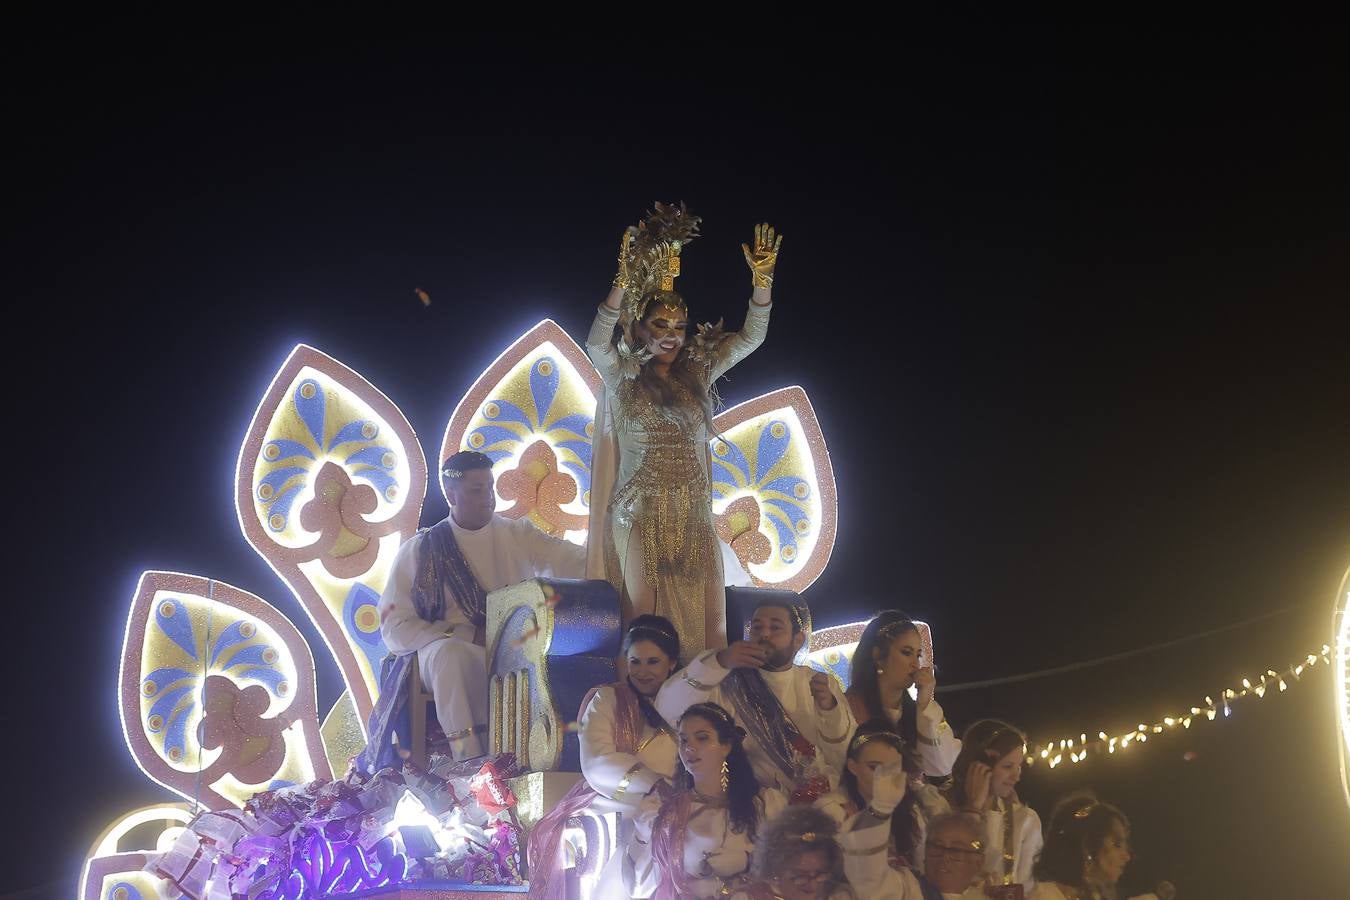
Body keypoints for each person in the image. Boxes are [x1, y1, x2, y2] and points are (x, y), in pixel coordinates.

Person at [586, 202, 780, 655]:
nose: (672, 334)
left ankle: (701, 707)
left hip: (692, 510)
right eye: (660, 324)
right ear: (640, 328)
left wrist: (762, 283)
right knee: (645, 623)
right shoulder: (624, 376)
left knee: (712, 625)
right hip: (639, 509)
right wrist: (621, 281)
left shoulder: (698, 375)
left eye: (679, 325)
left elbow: (752, 338)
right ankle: (633, 713)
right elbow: (597, 340)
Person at [361, 450, 586, 767]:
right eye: (477, 490)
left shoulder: (516, 534)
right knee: (451, 654)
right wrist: (464, 633)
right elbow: (394, 629)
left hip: (508, 647)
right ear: (452, 494)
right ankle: (471, 760)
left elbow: (572, 560)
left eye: (490, 487)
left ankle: (530, 759)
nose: (489, 498)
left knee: (554, 655)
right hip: (440, 652)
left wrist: (616, 550)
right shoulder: (421, 549)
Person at [526, 615, 682, 899]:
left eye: (653, 662)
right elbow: (597, 762)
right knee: (653, 826)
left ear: (672, 662)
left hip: (678, 803)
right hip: (611, 802)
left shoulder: (689, 703)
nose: (643, 672)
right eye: (635, 662)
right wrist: (655, 786)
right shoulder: (608, 699)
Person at [656, 599, 854, 798]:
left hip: (820, 806)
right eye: (757, 627)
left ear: (798, 640)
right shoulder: (728, 682)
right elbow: (667, 709)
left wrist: (829, 709)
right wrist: (720, 662)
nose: (764, 634)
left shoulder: (818, 683)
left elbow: (844, 756)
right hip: (754, 807)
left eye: (775, 627)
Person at [634, 701, 786, 899]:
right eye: (684, 741)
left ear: (726, 745)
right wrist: (643, 837)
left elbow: (793, 873)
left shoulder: (764, 806)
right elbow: (637, 889)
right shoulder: (668, 812)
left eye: (702, 738)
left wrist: (748, 861)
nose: (689, 748)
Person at [845, 611, 960, 777]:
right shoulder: (849, 707)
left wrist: (925, 705)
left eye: (918, 654)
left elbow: (943, 766)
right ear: (878, 656)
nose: (915, 664)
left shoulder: (919, 712)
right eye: (906, 652)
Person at [941, 720, 1042, 892]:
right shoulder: (939, 808)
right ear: (979, 765)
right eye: (1008, 766)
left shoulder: (1025, 820)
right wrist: (974, 808)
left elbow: (1028, 889)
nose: (1016, 777)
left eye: (1019, 767)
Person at [816, 723, 929, 872]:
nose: (883, 777)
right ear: (852, 766)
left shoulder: (909, 809)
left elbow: (922, 864)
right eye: (874, 768)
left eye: (892, 769)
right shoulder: (832, 810)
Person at [1030, 793, 1175, 900]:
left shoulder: (1095, 895)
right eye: (1117, 845)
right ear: (1086, 846)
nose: (1127, 856)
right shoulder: (1046, 896)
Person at [731, 805, 852, 900]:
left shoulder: (839, 896)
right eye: (801, 876)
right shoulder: (749, 898)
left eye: (821, 875)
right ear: (775, 870)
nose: (813, 886)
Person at [918, 813, 989, 900]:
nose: (944, 857)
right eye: (937, 847)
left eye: (956, 850)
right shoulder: (905, 890)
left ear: (979, 862)